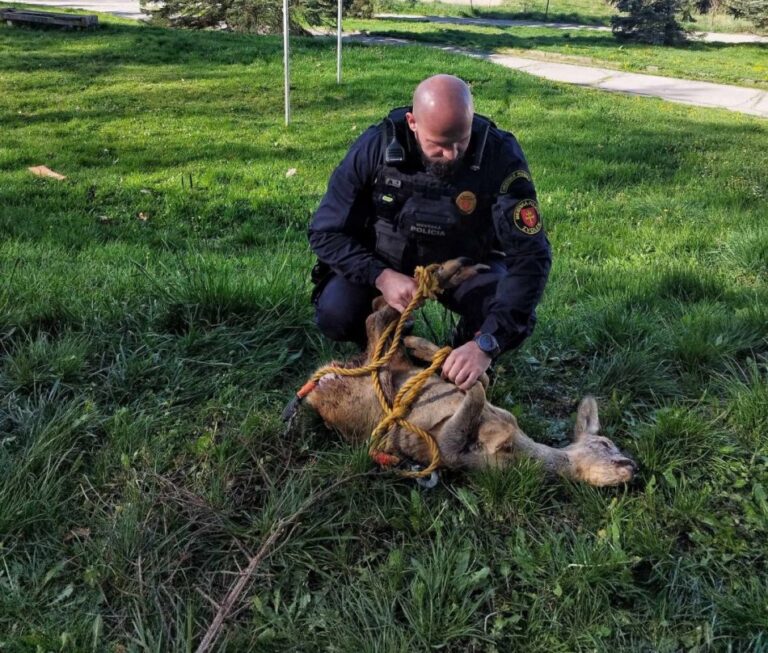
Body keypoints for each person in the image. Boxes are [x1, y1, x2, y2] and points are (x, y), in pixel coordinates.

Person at [308, 74, 551, 391]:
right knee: (335, 314)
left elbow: (531, 256)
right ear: (412, 122)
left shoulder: (499, 155)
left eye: (460, 141)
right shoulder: (377, 146)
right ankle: (385, 335)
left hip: (465, 265)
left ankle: (464, 348)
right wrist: (380, 276)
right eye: (439, 145)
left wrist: (487, 344)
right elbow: (326, 232)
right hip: (386, 261)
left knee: (515, 315)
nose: (452, 154)